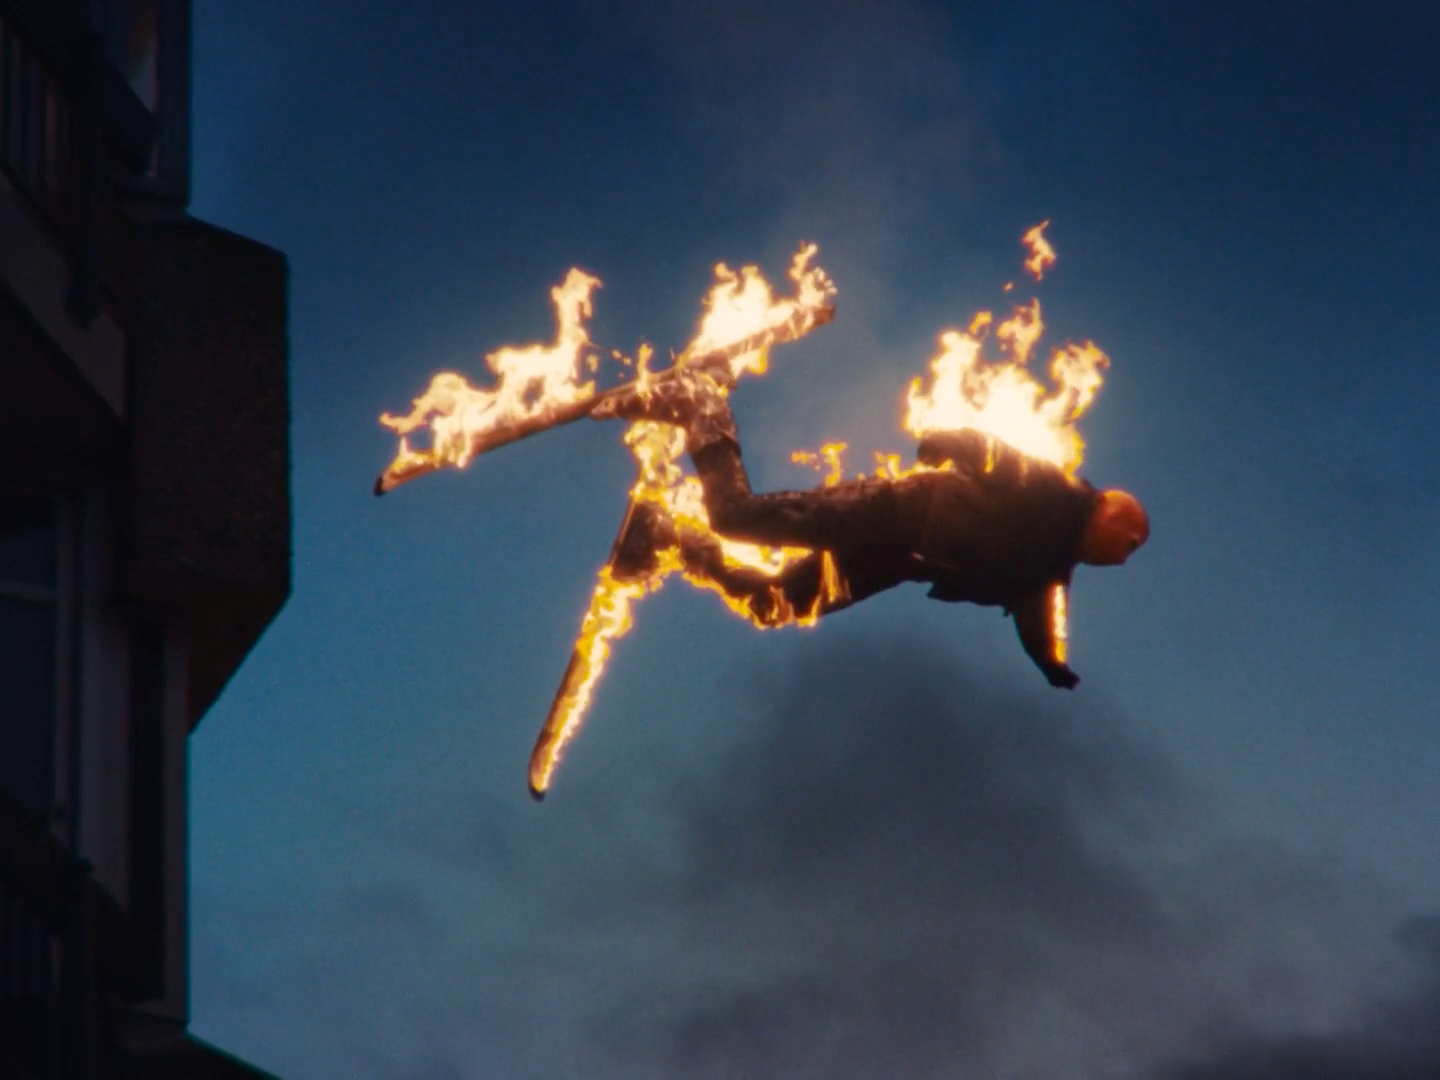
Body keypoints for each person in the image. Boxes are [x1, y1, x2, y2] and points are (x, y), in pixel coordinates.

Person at [593, 366, 1149, 689]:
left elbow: (1037, 620)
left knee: (775, 606)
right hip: (892, 511)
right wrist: (952, 440)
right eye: (1129, 540)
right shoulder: (1058, 497)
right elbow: (1000, 457)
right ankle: (703, 404)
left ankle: (665, 536)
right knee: (737, 516)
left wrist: (1051, 665)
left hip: (888, 562)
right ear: (1108, 515)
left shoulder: (1049, 569)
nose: (1127, 555)